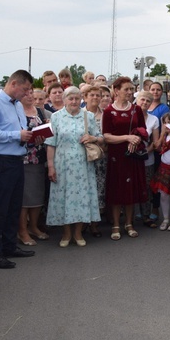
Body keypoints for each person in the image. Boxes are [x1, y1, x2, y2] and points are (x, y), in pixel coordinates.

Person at [0, 70, 37, 269]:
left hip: (16, 159)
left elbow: (20, 132)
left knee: (14, 206)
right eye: (25, 89)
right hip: (1, 160)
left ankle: (9, 246)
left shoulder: (18, 105)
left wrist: (32, 136)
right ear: (14, 84)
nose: (27, 93)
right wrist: (16, 135)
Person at [45, 86, 102, 247]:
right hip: (62, 165)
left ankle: (77, 233)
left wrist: (92, 138)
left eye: (77, 98)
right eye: (70, 98)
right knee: (64, 198)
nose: (74, 101)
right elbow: (50, 143)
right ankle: (66, 233)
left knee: (81, 198)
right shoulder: (56, 117)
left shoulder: (88, 116)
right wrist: (51, 166)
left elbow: (100, 137)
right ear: (64, 100)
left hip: (83, 165)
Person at [102, 76, 147, 241]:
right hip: (116, 156)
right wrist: (127, 138)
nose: (129, 92)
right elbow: (106, 136)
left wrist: (136, 139)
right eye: (126, 89)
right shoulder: (108, 111)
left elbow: (143, 130)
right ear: (116, 90)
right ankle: (115, 224)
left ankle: (129, 223)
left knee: (130, 190)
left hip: (133, 155)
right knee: (116, 190)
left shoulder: (136, 110)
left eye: (131, 89)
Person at [18, 87, 49, 245]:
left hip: (39, 157)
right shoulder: (16, 111)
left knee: (37, 195)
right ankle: (22, 231)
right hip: (24, 158)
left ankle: (34, 227)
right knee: (25, 198)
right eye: (27, 94)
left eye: (32, 94)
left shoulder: (39, 111)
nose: (30, 97)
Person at [83, 85, 107, 236]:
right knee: (85, 190)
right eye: (92, 95)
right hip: (83, 157)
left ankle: (95, 224)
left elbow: (107, 136)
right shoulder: (80, 114)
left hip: (100, 156)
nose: (95, 98)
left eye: (98, 95)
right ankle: (83, 222)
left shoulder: (105, 114)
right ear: (85, 97)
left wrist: (97, 139)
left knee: (99, 189)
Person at [136, 90, 160, 226]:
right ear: (137, 100)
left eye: (148, 101)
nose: (144, 103)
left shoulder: (153, 120)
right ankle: (130, 218)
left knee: (146, 187)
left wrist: (145, 151)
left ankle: (146, 215)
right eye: (142, 99)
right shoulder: (130, 116)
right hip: (131, 159)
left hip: (147, 159)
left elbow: (155, 142)